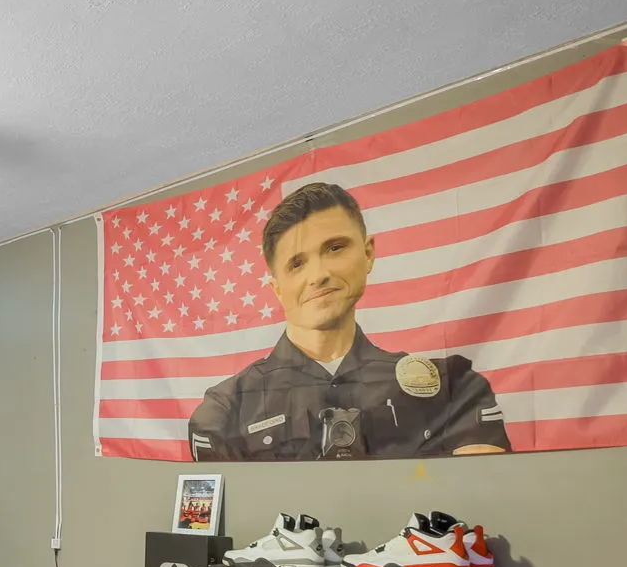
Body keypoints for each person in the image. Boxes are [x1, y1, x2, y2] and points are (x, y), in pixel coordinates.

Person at [187, 181, 509, 461]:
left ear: (368, 253)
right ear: (277, 289)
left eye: (335, 248)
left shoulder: (453, 390)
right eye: (297, 264)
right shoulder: (225, 411)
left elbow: (482, 497)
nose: (319, 275)